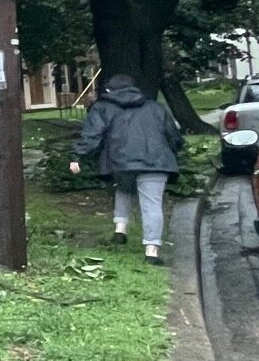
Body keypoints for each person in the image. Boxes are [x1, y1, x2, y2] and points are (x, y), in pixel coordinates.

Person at [70, 74, 183, 265]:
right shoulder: (155, 107)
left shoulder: (102, 107)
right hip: (156, 161)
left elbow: (92, 136)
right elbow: (173, 135)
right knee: (152, 205)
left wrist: (77, 156)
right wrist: (175, 150)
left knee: (123, 188)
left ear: (108, 91)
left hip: (120, 161)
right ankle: (152, 251)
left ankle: (120, 230)